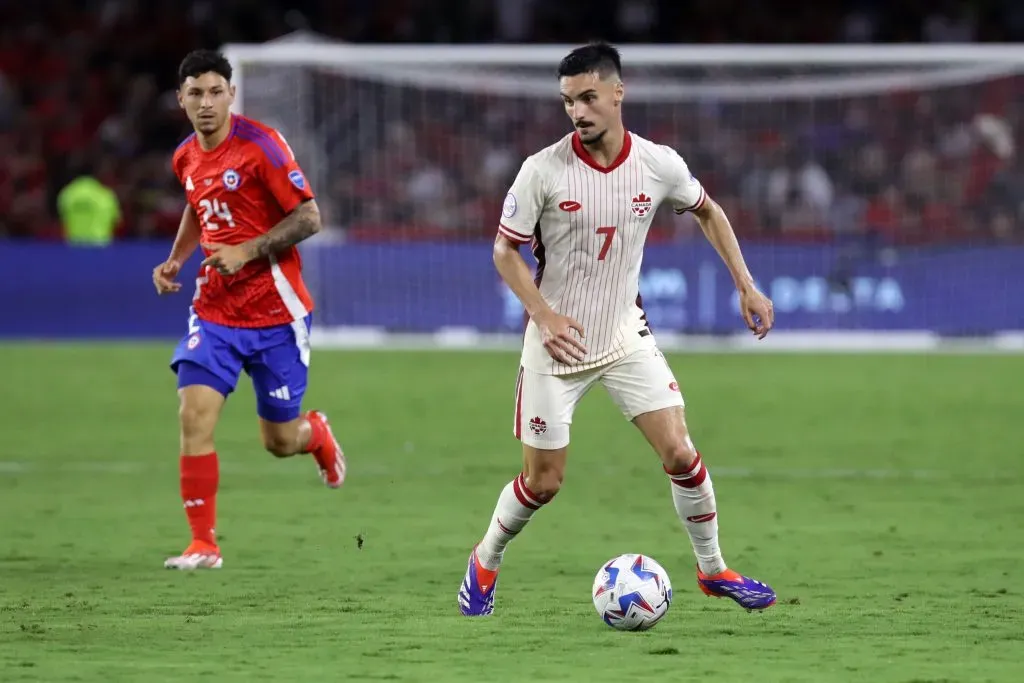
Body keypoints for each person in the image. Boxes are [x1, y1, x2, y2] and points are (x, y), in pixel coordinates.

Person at [459, 43, 776, 615]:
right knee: (544, 483)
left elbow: (708, 209)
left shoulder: (657, 163)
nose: (578, 112)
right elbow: (505, 250)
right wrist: (543, 314)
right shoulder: (542, 170)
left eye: (587, 98)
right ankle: (485, 558)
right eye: (567, 102)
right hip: (555, 347)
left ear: (617, 93)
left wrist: (746, 284)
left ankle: (713, 570)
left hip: (624, 335)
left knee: (681, 452)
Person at [153, 49, 346, 571]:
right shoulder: (184, 156)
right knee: (193, 416)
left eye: (216, 91)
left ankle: (316, 435)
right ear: (181, 99)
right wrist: (176, 259)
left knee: (279, 441)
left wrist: (248, 250)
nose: (206, 103)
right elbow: (199, 204)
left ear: (231, 94)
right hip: (215, 311)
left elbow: (310, 217)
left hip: (276, 314)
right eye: (195, 93)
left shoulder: (262, 146)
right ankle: (203, 543)